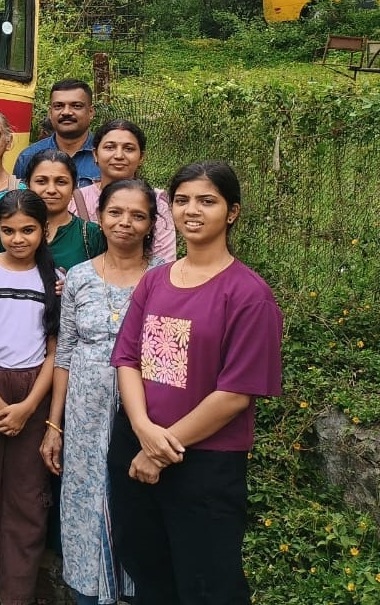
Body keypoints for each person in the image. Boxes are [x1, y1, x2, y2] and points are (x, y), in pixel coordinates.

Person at [108, 162, 283, 605]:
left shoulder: (248, 294)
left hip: (204, 463)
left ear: (232, 212)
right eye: (182, 200)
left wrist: (160, 451)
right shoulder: (155, 281)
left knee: (207, 582)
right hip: (135, 444)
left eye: (207, 201)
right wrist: (144, 433)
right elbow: (128, 359)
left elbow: (234, 394)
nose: (192, 211)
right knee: (146, 569)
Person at [40, 179, 165, 605]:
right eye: (115, 212)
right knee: (84, 497)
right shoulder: (78, 276)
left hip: (145, 409)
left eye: (137, 215)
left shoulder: (165, 277)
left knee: (134, 497)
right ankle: (86, 593)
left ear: (151, 224)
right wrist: (54, 424)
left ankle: (133, 591)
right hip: (85, 407)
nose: (125, 223)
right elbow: (66, 353)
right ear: (100, 216)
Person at [0, 190, 60, 605]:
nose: (18, 239)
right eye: (8, 230)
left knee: (27, 495)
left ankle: (18, 591)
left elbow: (56, 351)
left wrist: (28, 406)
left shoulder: (55, 280)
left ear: (45, 230)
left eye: (28, 230)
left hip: (33, 389)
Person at [69, 120, 176, 262]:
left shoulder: (157, 202)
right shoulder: (75, 200)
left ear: (141, 157)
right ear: (95, 154)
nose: (119, 155)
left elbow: (165, 263)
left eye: (129, 149)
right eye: (110, 147)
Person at [0, 149, 106, 274]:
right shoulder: (8, 230)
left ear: (74, 187)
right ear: (27, 185)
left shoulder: (91, 235)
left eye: (61, 182)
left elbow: (104, 282)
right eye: (41, 181)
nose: (51, 190)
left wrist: (72, 285)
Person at [12, 80, 99, 187]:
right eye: (59, 106)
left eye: (76, 106)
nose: (66, 112)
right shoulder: (28, 157)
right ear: (50, 112)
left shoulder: (106, 157)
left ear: (91, 112)